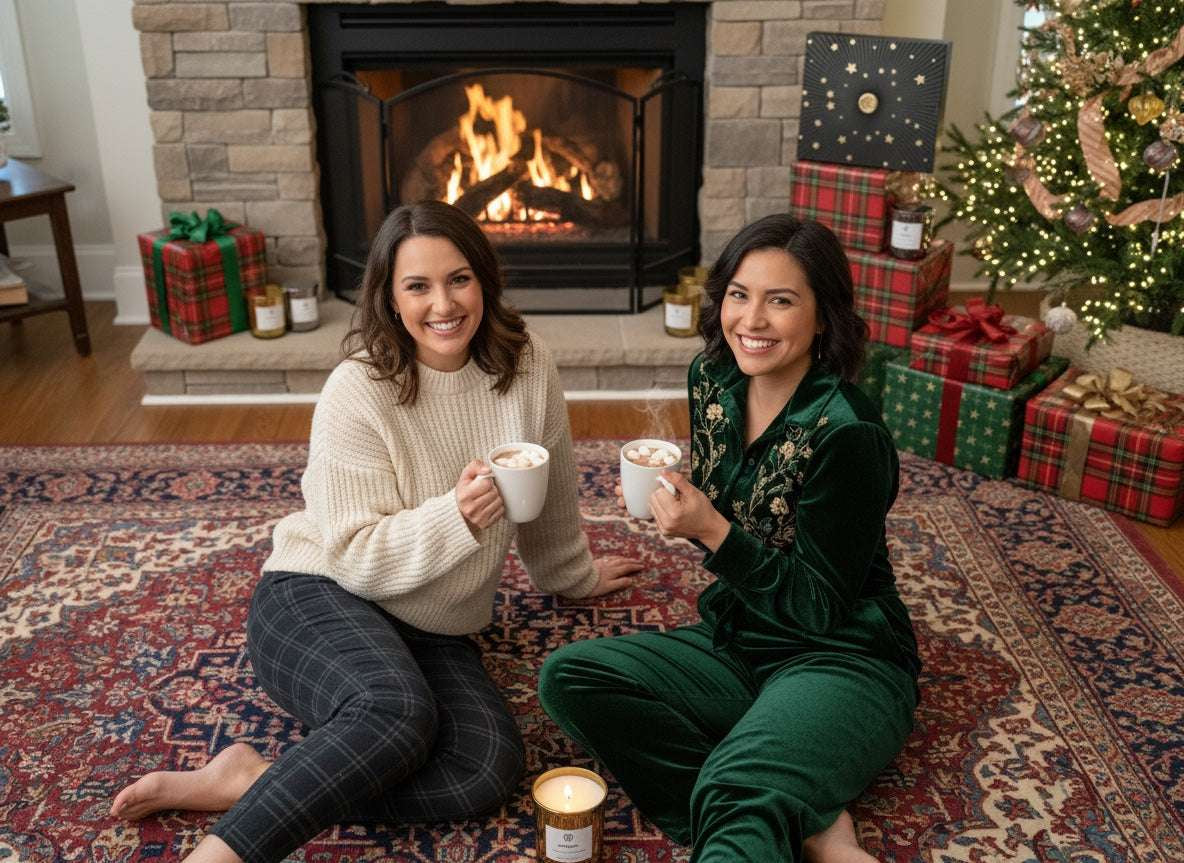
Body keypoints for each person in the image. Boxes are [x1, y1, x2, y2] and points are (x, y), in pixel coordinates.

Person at [111, 200, 643, 863]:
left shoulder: (528, 364)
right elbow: (356, 558)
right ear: (390, 300)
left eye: (459, 279)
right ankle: (221, 855)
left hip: (437, 621)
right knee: (396, 713)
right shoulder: (357, 389)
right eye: (417, 286)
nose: (442, 303)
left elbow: (552, 485)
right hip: (319, 592)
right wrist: (458, 515)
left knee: (486, 768)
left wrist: (574, 574)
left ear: (485, 279)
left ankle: (252, 777)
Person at [538, 215, 921, 863]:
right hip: (740, 639)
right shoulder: (713, 383)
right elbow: (743, 523)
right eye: (740, 295)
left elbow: (820, 608)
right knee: (570, 676)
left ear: (824, 317)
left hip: (842, 659)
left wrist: (711, 529)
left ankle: (757, 791)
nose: (752, 319)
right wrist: (694, 513)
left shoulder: (847, 433)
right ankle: (803, 807)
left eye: (781, 300)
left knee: (733, 786)